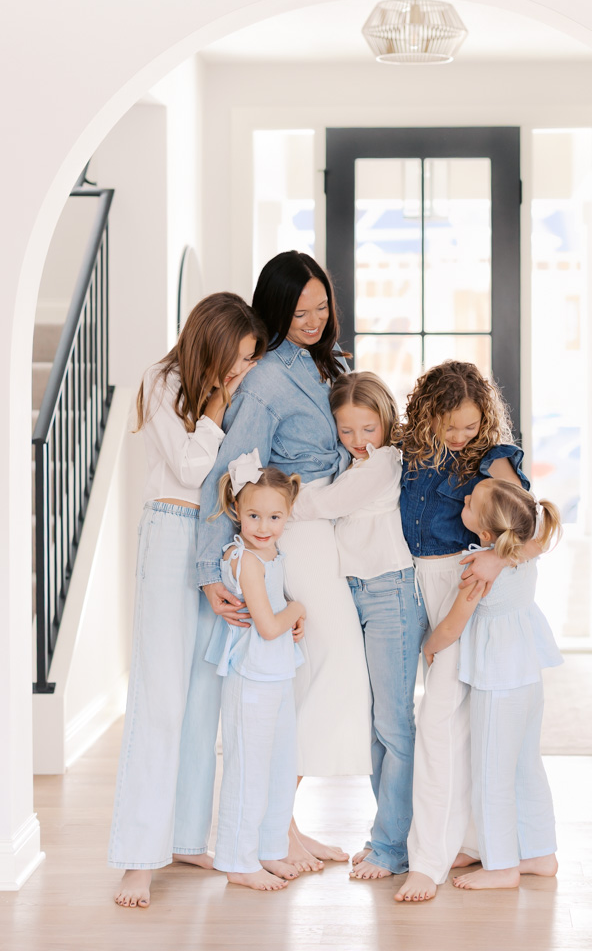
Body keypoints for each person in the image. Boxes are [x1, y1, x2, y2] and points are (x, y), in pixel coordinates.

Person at [196, 251, 372, 872]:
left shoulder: (333, 365)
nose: (315, 320)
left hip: (335, 531)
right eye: (300, 312)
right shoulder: (269, 378)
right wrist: (208, 568)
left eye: (322, 307)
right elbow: (228, 471)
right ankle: (275, 832)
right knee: (326, 665)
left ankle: (286, 827)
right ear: (275, 310)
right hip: (294, 536)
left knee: (313, 674)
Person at [109, 292, 265, 909]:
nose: (242, 369)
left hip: (215, 538)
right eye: (238, 357)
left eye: (251, 359)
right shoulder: (163, 379)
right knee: (162, 697)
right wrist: (221, 404)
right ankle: (137, 858)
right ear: (212, 342)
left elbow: (238, 471)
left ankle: (186, 837)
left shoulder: (231, 390)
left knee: (206, 695)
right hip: (172, 532)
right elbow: (190, 466)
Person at [394, 360, 537, 903]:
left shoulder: (493, 457)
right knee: (433, 722)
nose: (459, 437)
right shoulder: (409, 452)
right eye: (448, 425)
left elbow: (529, 524)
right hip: (407, 582)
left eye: (470, 426)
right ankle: (464, 838)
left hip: (461, 581)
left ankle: (427, 861)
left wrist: (498, 563)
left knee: (440, 720)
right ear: (426, 415)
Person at [290, 371, 427, 880]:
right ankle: (390, 837)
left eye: (367, 428)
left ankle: (393, 846)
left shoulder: (384, 462)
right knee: (375, 725)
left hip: (390, 591)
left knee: (393, 724)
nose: (357, 441)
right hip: (359, 591)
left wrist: (266, 501)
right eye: (345, 431)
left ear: (386, 422)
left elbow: (325, 505)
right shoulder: (350, 464)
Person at [423, 478, 562, 890]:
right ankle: (539, 853)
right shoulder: (522, 552)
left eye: (471, 502)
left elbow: (452, 625)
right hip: (527, 679)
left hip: (498, 683)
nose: (463, 498)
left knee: (491, 774)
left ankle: (501, 865)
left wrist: (429, 647)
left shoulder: (478, 569)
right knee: (524, 766)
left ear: (485, 533)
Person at [205, 452, 306, 891]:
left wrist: (289, 614)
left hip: (278, 672)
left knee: (282, 765)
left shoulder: (270, 551)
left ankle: (269, 848)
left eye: (274, 516)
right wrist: (297, 609)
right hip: (253, 676)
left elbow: (274, 612)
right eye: (253, 515)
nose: (263, 526)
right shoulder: (245, 558)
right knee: (248, 770)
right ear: (236, 511)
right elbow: (267, 626)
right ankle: (237, 859)